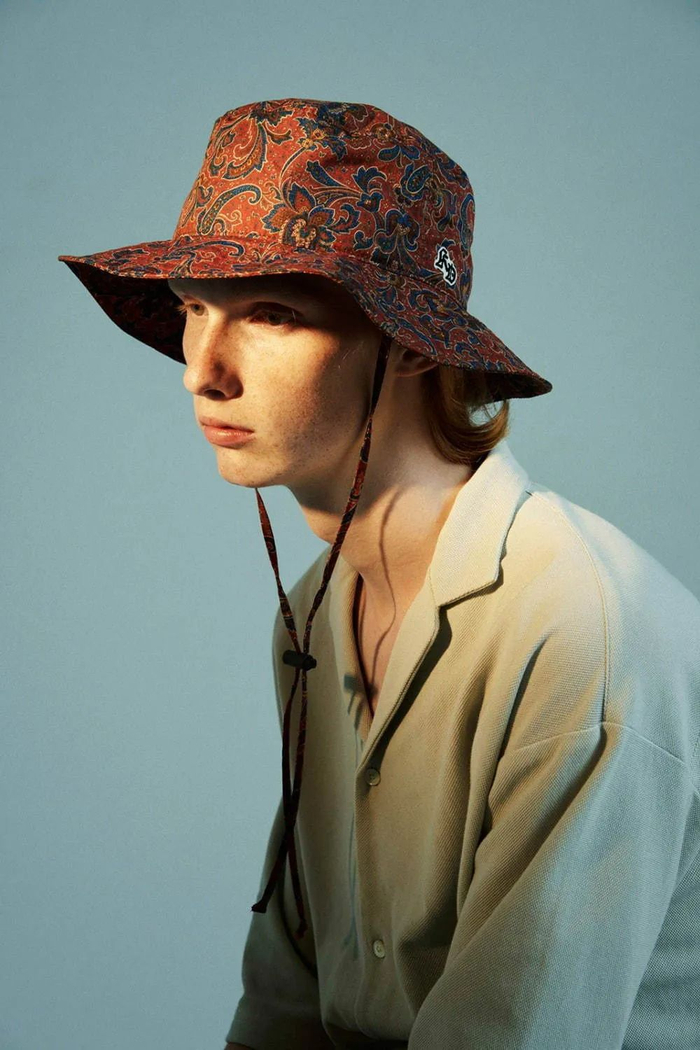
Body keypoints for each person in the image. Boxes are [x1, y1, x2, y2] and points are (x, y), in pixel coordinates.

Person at [58, 98, 700, 1050]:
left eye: (271, 315)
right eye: (195, 310)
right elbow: (285, 1000)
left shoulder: (582, 636)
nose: (202, 370)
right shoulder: (313, 616)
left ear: (405, 343)